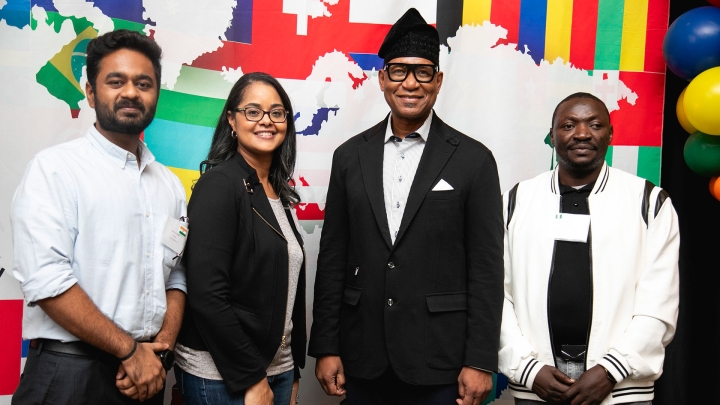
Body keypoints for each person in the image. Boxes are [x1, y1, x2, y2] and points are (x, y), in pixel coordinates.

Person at [308, 8, 504, 405]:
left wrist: (481, 360)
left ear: (438, 81)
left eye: (423, 72)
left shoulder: (474, 160)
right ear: (382, 79)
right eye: (398, 71)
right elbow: (332, 258)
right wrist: (326, 346)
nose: (410, 83)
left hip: (441, 361)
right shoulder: (349, 156)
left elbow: (486, 269)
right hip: (363, 357)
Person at [11, 29, 186, 404]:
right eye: (115, 81)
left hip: (145, 376)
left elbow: (178, 273)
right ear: (90, 93)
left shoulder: (170, 185)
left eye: (144, 83)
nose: (130, 93)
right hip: (68, 375)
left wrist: (162, 349)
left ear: (156, 94)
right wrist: (127, 350)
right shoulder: (54, 170)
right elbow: (45, 280)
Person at [499, 92, 680, 405]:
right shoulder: (516, 201)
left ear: (611, 134)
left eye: (594, 124)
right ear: (551, 135)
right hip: (538, 386)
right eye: (568, 125)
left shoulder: (649, 202)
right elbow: (494, 295)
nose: (582, 133)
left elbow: (659, 302)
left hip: (621, 390)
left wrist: (612, 370)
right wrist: (528, 368)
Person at [173, 72, 306, 405]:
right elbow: (207, 295)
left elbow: (283, 292)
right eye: (253, 111)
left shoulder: (277, 192)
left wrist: (291, 369)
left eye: (277, 112)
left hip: (276, 368)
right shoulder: (219, 186)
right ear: (232, 119)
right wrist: (252, 378)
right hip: (223, 376)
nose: (267, 121)